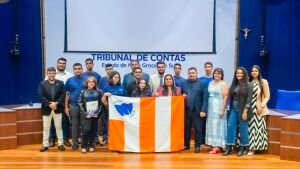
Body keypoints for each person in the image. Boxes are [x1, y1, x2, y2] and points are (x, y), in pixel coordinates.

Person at [223, 67, 253, 157]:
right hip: (234, 108)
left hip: (243, 110)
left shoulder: (249, 85)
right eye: (237, 73)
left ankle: (242, 147)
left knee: (243, 128)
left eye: (241, 73)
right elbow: (230, 97)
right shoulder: (234, 84)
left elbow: (249, 100)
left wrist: (245, 112)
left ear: (244, 74)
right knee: (230, 126)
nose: (239, 75)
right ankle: (229, 147)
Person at [38, 67, 65, 152]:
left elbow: (63, 95)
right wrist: (50, 104)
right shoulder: (42, 84)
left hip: (57, 108)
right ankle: (45, 145)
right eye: (49, 73)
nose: (51, 75)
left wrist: (56, 103)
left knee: (59, 127)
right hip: (47, 109)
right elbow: (40, 96)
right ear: (47, 74)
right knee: (46, 128)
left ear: (55, 74)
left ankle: (60, 144)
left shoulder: (60, 83)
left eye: (53, 73)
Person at [47, 57, 72, 147]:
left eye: (63, 63)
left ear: (65, 65)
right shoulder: (52, 74)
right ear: (57, 64)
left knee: (65, 121)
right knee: (52, 121)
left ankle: (65, 139)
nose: (61, 64)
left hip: (65, 101)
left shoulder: (69, 75)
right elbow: (46, 87)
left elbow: (69, 90)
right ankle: (52, 139)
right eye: (60, 63)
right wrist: (52, 103)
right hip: (52, 101)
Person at [182, 67, 208, 153]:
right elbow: (181, 95)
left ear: (196, 73)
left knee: (198, 129)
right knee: (186, 129)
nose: (191, 74)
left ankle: (197, 146)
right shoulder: (184, 83)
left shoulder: (202, 83)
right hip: (187, 110)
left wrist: (203, 110)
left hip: (198, 111)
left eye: (193, 73)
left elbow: (205, 98)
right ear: (187, 74)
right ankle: (186, 145)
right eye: (189, 73)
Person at [247, 65, 270, 155]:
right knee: (248, 128)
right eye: (252, 71)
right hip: (248, 108)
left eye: (256, 71)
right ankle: (247, 146)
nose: (254, 72)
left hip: (258, 109)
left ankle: (253, 148)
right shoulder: (248, 81)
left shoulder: (263, 82)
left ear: (259, 72)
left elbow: (267, 96)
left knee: (256, 128)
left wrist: (262, 106)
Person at [205, 68, 229, 154]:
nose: (217, 75)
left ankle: (218, 146)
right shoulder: (211, 83)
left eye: (219, 73)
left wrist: (222, 109)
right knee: (212, 125)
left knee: (219, 125)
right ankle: (214, 144)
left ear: (222, 75)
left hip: (219, 107)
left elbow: (225, 97)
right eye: (215, 73)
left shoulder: (223, 84)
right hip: (210, 107)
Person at [78, 77, 103, 153]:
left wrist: (97, 113)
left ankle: (92, 145)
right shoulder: (83, 91)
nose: (91, 83)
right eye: (89, 82)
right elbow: (80, 103)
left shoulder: (99, 92)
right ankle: (83, 145)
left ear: (95, 83)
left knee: (93, 130)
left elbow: (101, 104)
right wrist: (85, 114)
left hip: (95, 115)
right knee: (86, 130)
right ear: (87, 83)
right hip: (85, 115)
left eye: (93, 82)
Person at [65, 63, 86, 150]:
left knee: (84, 125)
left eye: (79, 69)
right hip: (73, 105)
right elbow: (66, 94)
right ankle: (75, 143)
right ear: (73, 70)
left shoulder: (86, 80)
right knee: (74, 125)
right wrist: (66, 107)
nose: (77, 70)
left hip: (84, 106)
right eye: (75, 69)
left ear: (82, 69)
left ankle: (84, 142)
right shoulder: (69, 80)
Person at [98, 63, 113, 145]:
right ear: (105, 70)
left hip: (114, 104)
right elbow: (100, 91)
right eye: (107, 69)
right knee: (104, 121)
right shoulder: (102, 79)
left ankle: (113, 137)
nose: (109, 70)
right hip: (104, 103)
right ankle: (105, 137)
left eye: (110, 69)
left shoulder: (115, 78)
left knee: (113, 121)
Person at [199, 62, 213, 144]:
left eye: (209, 67)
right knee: (202, 122)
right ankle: (203, 139)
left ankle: (210, 140)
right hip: (203, 104)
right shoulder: (200, 79)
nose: (207, 68)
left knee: (211, 122)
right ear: (204, 68)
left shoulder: (215, 79)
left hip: (213, 103)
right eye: (206, 67)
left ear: (212, 68)